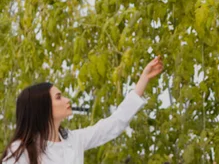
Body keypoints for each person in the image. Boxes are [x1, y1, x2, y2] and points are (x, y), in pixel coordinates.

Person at [2, 57, 163, 164]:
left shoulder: (73, 140)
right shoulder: (20, 150)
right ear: (42, 108)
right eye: (58, 97)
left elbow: (114, 123)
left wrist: (144, 80)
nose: (67, 100)